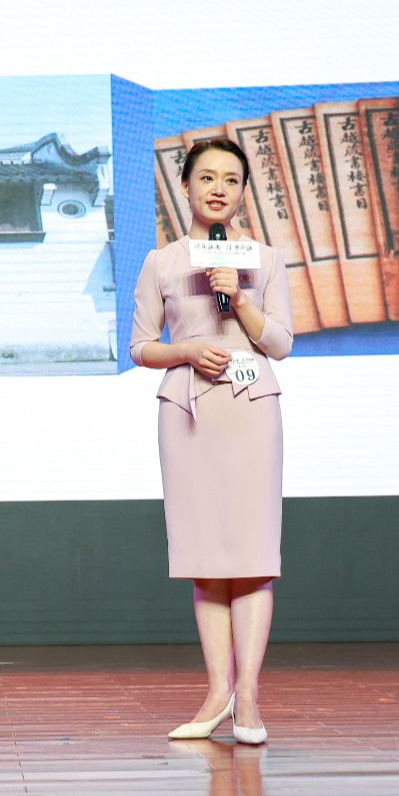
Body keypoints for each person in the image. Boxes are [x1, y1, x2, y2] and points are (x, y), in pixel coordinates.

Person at [129, 138, 293, 744]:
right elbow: (141, 346)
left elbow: (280, 344)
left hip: (250, 410)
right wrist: (187, 350)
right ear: (186, 186)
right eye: (206, 177)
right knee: (206, 560)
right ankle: (216, 692)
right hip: (189, 411)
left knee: (250, 559)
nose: (219, 188)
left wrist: (241, 299)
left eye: (231, 179)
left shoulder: (265, 259)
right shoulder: (162, 262)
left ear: (244, 191)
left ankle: (247, 697)